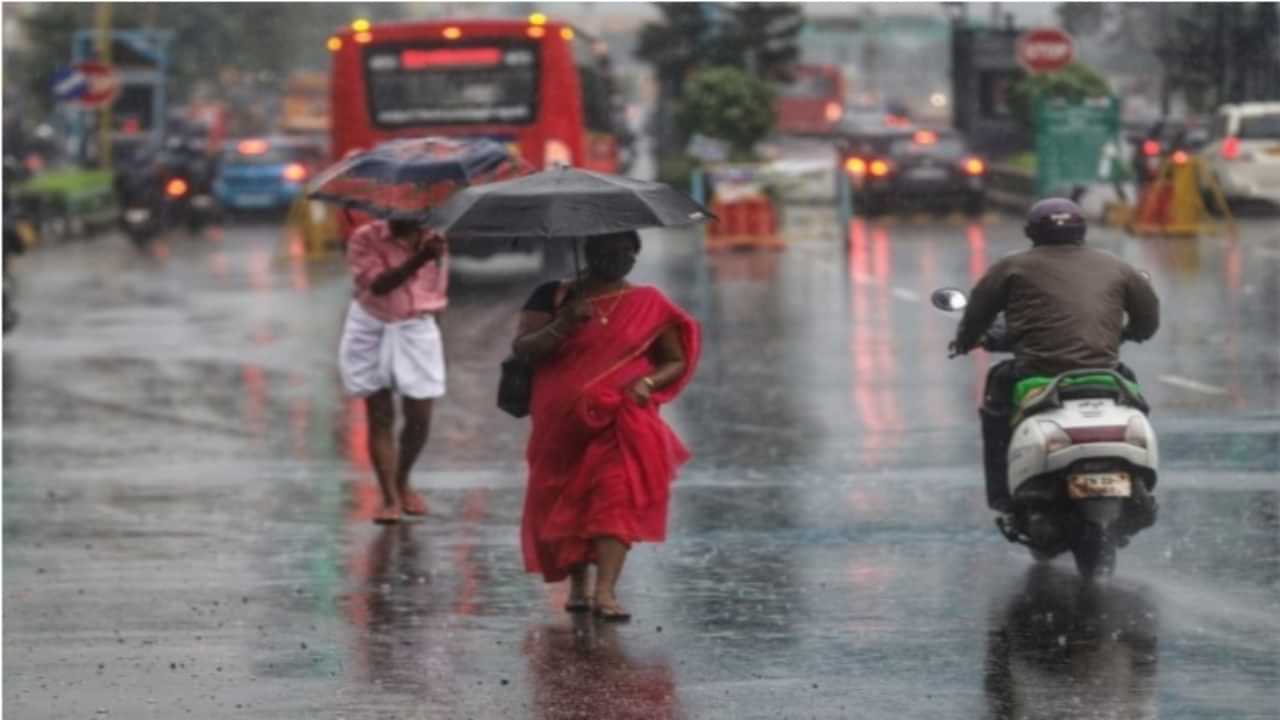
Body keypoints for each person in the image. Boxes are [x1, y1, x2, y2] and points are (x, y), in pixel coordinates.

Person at [512, 231, 700, 621]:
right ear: (588, 251)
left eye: (625, 251)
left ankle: (605, 591)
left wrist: (646, 383)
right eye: (605, 250)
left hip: (622, 417)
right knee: (563, 497)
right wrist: (562, 324)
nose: (615, 257)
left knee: (614, 495)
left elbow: (674, 359)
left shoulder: (649, 303)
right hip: (558, 422)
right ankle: (578, 586)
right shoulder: (552, 295)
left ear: (635, 255)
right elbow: (524, 349)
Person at [950, 198, 1160, 512]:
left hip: (1035, 372)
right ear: (1082, 230)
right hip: (1105, 371)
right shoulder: (1116, 265)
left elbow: (977, 314)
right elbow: (1147, 318)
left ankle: (1002, 493)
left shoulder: (1012, 267)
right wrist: (1128, 334)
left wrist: (965, 341)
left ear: (1031, 232)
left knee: (997, 397)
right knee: (1134, 397)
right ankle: (1140, 473)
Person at [338, 216, 449, 524]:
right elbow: (379, 285)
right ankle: (388, 497)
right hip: (371, 325)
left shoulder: (435, 239)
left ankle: (402, 479)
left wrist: (435, 334)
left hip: (417, 326)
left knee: (420, 416)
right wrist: (421, 258)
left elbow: (437, 291)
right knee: (380, 414)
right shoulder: (364, 237)